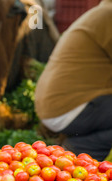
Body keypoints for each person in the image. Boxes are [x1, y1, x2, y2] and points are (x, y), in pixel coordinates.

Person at [34, 0, 112, 161]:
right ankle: (83, 150)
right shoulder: (108, 15)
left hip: (61, 106)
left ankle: (80, 147)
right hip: (69, 108)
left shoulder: (104, 11)